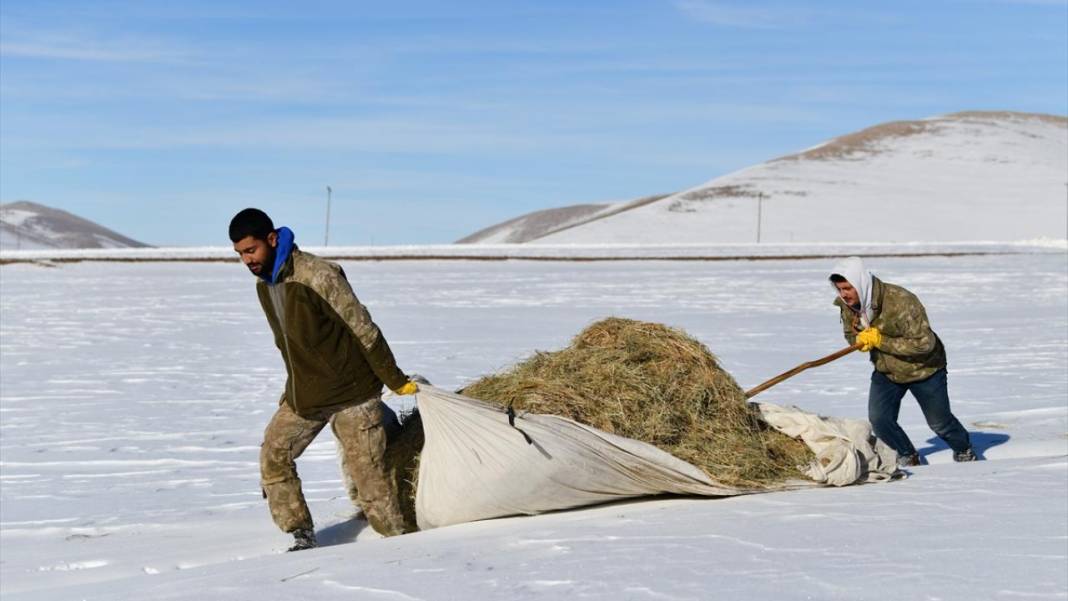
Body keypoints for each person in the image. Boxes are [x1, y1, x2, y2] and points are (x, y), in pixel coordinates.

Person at [229, 208, 418, 551]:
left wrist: (395, 380)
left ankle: (400, 544)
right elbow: (291, 345)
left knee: (371, 483)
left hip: (353, 394)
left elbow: (362, 328)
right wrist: (292, 389)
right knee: (274, 454)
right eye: (240, 254)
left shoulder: (317, 275)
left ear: (271, 240)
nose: (247, 260)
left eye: (251, 250)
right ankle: (301, 533)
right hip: (309, 394)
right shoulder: (266, 285)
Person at [829, 257, 976, 466]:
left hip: (924, 369)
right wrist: (859, 340)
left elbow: (924, 344)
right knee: (880, 420)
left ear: (860, 282)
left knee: (940, 423)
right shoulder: (847, 305)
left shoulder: (901, 300)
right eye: (839, 289)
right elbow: (851, 334)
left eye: (847, 288)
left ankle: (964, 449)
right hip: (887, 370)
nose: (844, 294)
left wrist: (880, 340)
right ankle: (907, 454)